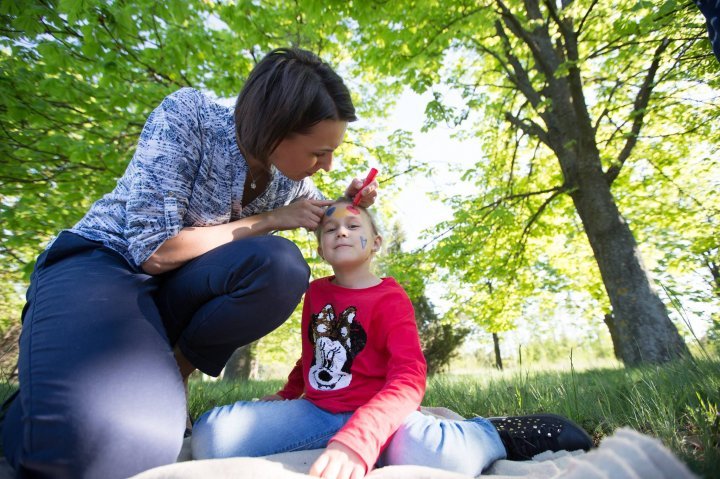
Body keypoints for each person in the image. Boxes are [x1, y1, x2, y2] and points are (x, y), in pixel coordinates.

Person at [0, 47, 378, 479]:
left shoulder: (288, 179)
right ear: (275, 131)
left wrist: (346, 205)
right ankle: (43, 397)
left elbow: (312, 213)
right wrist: (270, 220)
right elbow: (153, 250)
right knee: (87, 447)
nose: (326, 166)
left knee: (281, 265)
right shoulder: (189, 116)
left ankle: (170, 371)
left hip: (173, 292)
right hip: (101, 264)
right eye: (319, 152)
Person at [191, 198, 593, 479]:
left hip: (383, 416)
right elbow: (311, 357)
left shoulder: (390, 298)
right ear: (320, 246)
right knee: (212, 435)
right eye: (331, 228)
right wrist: (285, 395)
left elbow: (409, 377)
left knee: (439, 456)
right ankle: (344, 439)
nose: (342, 232)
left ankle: (491, 432)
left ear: (376, 242)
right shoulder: (316, 293)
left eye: (353, 226)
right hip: (319, 414)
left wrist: (363, 436)